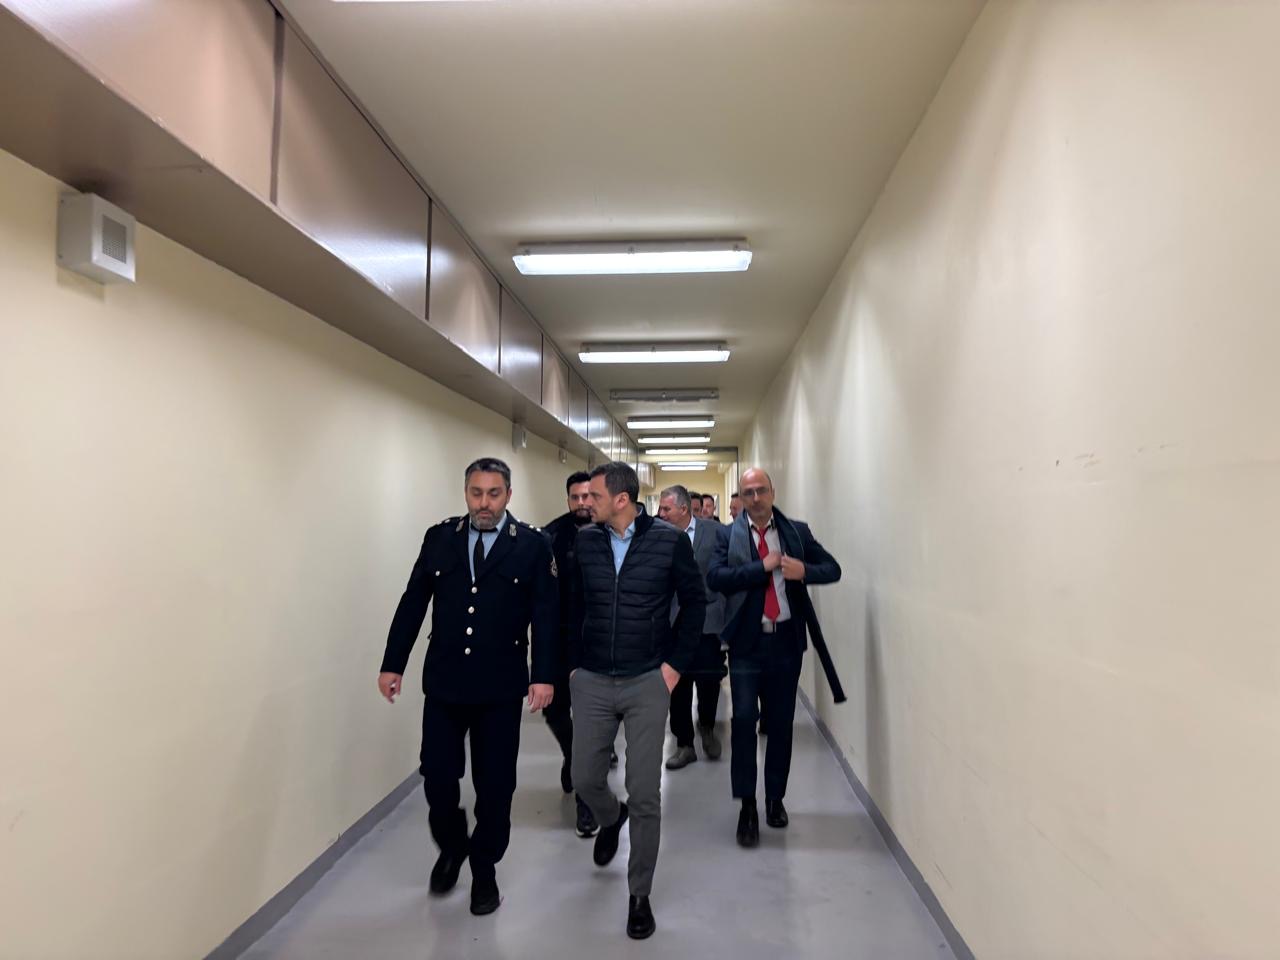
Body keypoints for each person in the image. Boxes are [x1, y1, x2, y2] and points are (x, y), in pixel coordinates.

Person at [377, 457, 557, 915]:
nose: (484, 503)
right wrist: (393, 663)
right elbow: (413, 601)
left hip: (500, 687)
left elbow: (545, 614)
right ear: (465, 493)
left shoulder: (532, 545)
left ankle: (484, 867)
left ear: (508, 495)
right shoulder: (440, 538)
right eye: (476, 493)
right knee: (437, 778)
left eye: (493, 493)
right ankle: (453, 844)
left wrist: (543, 674)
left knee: (495, 786)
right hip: (445, 684)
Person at [568, 462, 706, 939]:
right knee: (584, 777)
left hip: (647, 678)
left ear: (621, 499)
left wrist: (674, 665)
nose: (586, 503)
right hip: (591, 678)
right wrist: (571, 665)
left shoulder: (668, 541)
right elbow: (571, 605)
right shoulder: (586, 542)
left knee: (645, 792)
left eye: (594, 496)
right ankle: (611, 817)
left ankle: (639, 894)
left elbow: (695, 602)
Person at [708, 468, 841, 849]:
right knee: (743, 721)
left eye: (761, 490)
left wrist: (804, 571)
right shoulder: (727, 535)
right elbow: (716, 578)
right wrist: (760, 568)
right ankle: (747, 806)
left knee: (781, 724)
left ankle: (774, 799)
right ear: (741, 497)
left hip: (785, 643)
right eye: (747, 492)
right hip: (746, 645)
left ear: (772, 492)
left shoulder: (795, 532)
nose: (755, 498)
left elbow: (833, 569)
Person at [541, 471, 599, 838]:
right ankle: (571, 753)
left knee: (592, 722)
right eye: (575, 497)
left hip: (597, 642)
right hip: (559, 641)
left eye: (587, 496)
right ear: (568, 500)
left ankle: (586, 801)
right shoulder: (551, 536)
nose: (582, 503)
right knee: (555, 712)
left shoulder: (611, 532)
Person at [656, 484, 727, 770]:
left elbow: (727, 572)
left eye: (666, 508)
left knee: (709, 680)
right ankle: (684, 743)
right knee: (677, 683)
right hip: (673, 619)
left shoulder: (715, 532)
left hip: (708, 619)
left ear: (683, 509)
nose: (661, 513)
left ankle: (707, 728)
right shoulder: (658, 535)